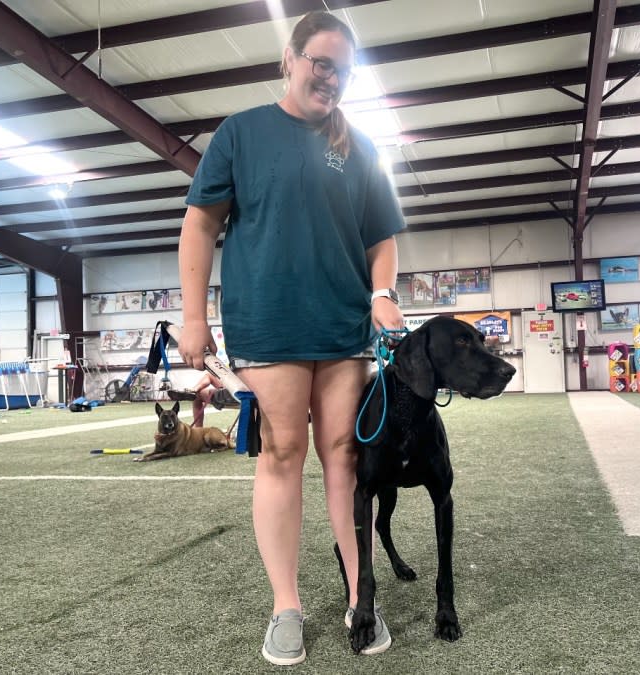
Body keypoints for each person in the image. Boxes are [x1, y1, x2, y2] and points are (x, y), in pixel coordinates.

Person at [176, 11, 405, 666]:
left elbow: (381, 237)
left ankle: (361, 597)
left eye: (343, 71)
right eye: (321, 63)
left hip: (342, 327)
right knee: (282, 453)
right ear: (291, 57)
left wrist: (382, 293)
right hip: (269, 323)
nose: (330, 79)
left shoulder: (356, 146)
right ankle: (286, 606)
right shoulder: (240, 135)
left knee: (343, 456)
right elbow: (200, 226)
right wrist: (193, 318)